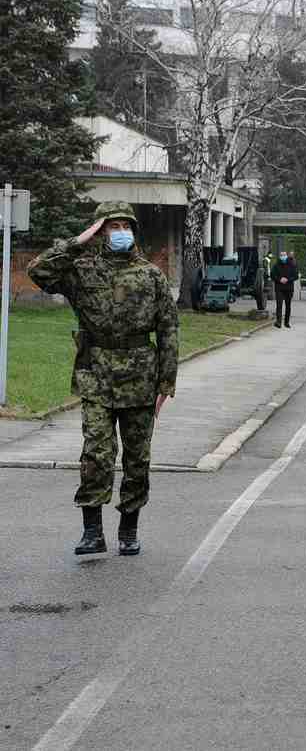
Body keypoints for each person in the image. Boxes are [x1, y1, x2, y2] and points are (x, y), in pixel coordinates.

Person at [28, 201, 179, 556]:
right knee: (96, 453)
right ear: (99, 231)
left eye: (126, 226)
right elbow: (38, 271)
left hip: (140, 377)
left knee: (137, 459)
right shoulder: (81, 270)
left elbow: (169, 329)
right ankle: (92, 531)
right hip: (96, 375)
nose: (121, 232)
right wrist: (78, 241)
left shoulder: (151, 275)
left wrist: (166, 383)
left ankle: (129, 529)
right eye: (113, 226)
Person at [270, 250, 299, 328]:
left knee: (288, 306)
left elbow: (296, 276)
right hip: (279, 288)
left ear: (287, 256)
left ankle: (286, 322)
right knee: (279, 305)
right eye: (281, 255)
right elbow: (272, 275)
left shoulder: (292, 265)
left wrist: (288, 279)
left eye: (284, 255)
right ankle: (278, 322)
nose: (283, 257)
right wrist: (279, 279)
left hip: (289, 288)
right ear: (280, 256)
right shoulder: (276, 265)